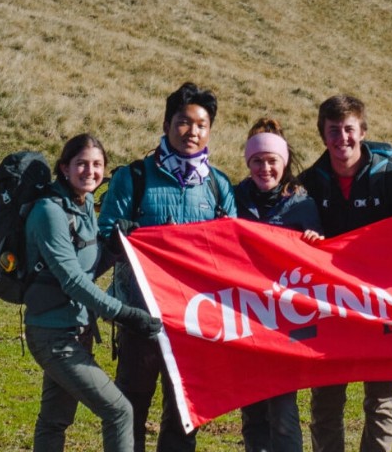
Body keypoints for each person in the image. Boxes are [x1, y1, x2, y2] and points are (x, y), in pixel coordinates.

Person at [99, 83, 236, 452]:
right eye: (184, 122)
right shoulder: (134, 177)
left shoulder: (218, 186)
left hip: (194, 319)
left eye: (202, 125)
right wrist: (128, 236)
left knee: (183, 411)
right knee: (131, 405)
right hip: (139, 314)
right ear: (166, 124)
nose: (192, 132)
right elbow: (105, 235)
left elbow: (232, 251)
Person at [23, 133, 163, 452]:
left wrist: (113, 247)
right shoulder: (49, 212)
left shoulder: (84, 204)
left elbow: (87, 269)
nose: (90, 171)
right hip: (53, 336)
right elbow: (72, 281)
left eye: (97, 164)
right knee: (119, 411)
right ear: (64, 167)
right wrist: (125, 313)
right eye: (82, 164)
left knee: (54, 420)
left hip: (76, 331)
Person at [298, 94, 392, 452]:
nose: (342, 138)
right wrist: (308, 238)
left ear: (363, 131)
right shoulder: (309, 182)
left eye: (349, 129)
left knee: (381, 401)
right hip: (329, 308)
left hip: (384, 306)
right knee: (326, 403)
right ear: (323, 135)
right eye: (333, 130)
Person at [234, 117, 322, 452]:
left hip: (287, 321)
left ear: (283, 162)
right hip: (246, 316)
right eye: (257, 160)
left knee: (283, 411)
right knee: (252, 410)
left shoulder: (302, 204)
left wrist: (315, 242)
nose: (265, 168)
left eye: (272, 160)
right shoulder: (234, 198)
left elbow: (320, 261)